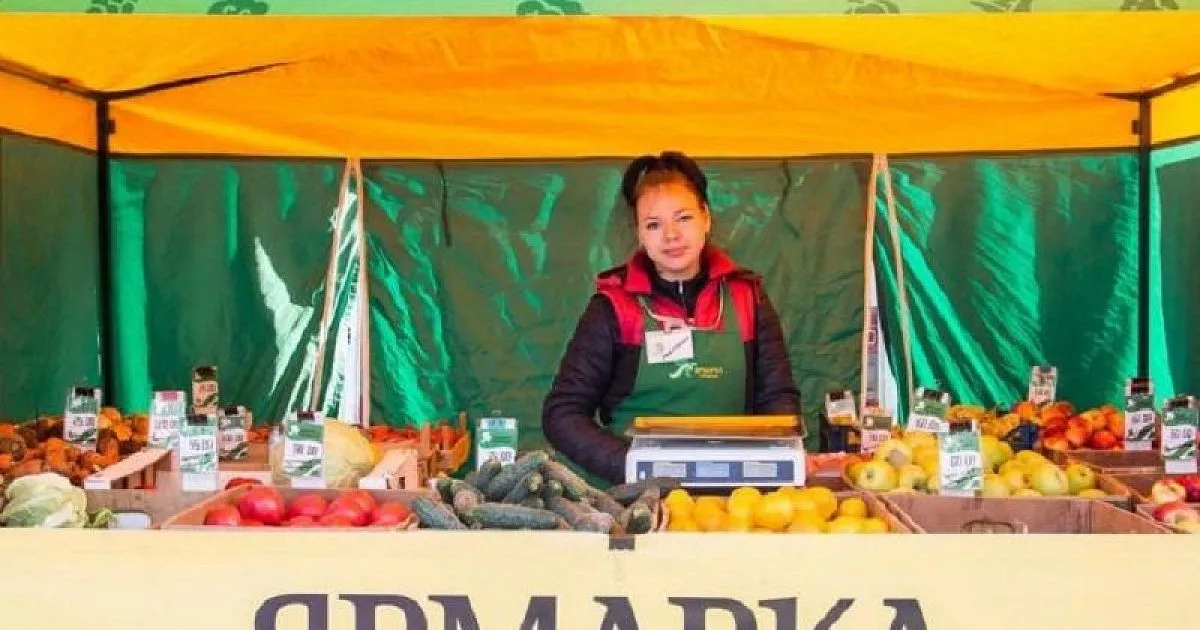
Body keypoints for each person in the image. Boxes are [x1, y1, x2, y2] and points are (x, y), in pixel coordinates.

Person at [541, 151, 801, 487]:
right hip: (635, 496)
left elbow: (778, 398)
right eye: (654, 224)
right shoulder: (613, 307)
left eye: (684, 218)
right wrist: (633, 467)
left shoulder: (748, 297)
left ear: (706, 219)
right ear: (639, 234)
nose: (671, 235)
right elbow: (563, 414)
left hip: (734, 494)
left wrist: (765, 466)